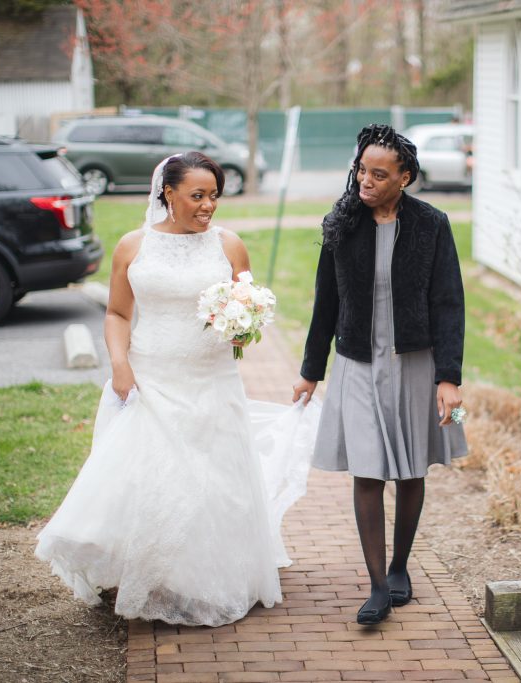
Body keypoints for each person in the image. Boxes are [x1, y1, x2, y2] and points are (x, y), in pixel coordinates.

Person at [35, 152, 317, 627]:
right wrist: (120, 366)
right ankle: (150, 568)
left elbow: (248, 315)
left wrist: (242, 327)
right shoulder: (132, 245)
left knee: (211, 483)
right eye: (197, 196)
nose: (208, 206)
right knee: (153, 478)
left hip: (211, 382)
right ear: (168, 194)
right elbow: (117, 314)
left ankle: (205, 578)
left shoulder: (230, 246)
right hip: (151, 379)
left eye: (214, 197)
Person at [292, 124, 467, 625]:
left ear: (405, 178)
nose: (365, 181)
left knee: (413, 468)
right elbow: (326, 300)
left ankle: (399, 567)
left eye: (378, 173)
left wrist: (449, 378)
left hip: (418, 362)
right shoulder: (342, 222)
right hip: (357, 362)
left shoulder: (432, 224)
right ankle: (375, 587)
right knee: (367, 471)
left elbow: (449, 303)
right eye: (361, 169)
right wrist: (310, 371)